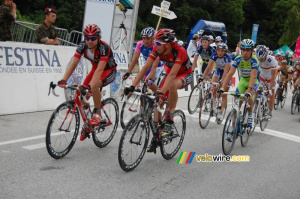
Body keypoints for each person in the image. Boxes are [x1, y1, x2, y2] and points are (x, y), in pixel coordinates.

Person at [124, 28, 193, 152]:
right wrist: (132, 86)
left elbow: (172, 76)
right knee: (157, 102)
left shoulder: (179, 51)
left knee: (171, 86)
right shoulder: (157, 49)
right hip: (170, 73)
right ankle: (157, 135)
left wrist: (161, 93)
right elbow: (145, 67)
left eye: (158, 43)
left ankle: (170, 118)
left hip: (184, 74)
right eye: (155, 42)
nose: (155, 45)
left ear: (167, 44)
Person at [57, 24, 117, 141]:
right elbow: (73, 64)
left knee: (93, 87)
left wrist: (90, 87)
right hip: (95, 70)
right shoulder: (82, 46)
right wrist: (64, 79)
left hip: (108, 71)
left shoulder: (104, 47)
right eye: (87, 38)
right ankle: (88, 124)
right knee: (81, 94)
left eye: (93, 38)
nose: (90, 41)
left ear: (98, 38)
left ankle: (97, 113)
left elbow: (100, 69)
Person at [221, 39, 259, 141]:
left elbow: (253, 77)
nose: (245, 53)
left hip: (253, 81)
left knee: (248, 95)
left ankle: (250, 115)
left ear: (252, 51)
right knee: (236, 105)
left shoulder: (254, 60)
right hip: (243, 81)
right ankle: (233, 130)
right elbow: (230, 73)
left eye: (248, 50)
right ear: (241, 50)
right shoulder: (238, 58)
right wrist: (222, 88)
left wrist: (249, 90)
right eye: (243, 50)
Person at [201, 43, 231, 122]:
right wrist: (203, 76)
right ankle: (213, 99)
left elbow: (226, 71)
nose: (220, 52)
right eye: (218, 50)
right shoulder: (214, 55)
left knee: (224, 93)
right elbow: (209, 66)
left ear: (225, 52)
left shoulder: (227, 57)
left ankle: (221, 112)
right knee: (213, 84)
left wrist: (223, 81)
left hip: (226, 72)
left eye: (222, 51)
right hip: (218, 70)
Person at [255, 45, 278, 119]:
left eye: (261, 58)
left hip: (270, 76)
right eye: (259, 59)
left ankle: (270, 111)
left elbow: (273, 76)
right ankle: (255, 108)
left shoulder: (271, 60)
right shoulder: (257, 58)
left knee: (271, 94)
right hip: (262, 75)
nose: (260, 60)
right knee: (257, 91)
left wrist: (270, 89)